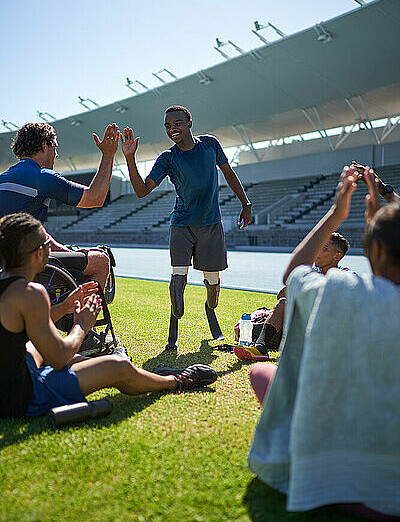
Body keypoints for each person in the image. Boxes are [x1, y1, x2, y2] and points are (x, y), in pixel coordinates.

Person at [247, 166, 400, 520]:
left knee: (262, 373)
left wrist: (337, 213)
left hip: (345, 483)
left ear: (374, 249)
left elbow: (293, 275)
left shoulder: (344, 289)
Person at [0, 212, 218, 419]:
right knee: (118, 368)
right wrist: (82, 325)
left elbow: (19, 324)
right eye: (48, 245)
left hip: (9, 378)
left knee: (46, 350)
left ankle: (113, 370)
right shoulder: (31, 293)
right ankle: (174, 380)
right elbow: (58, 359)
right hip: (20, 397)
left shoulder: (9, 286)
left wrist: (64, 307)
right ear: (39, 253)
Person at [121, 105, 252, 350]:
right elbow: (141, 191)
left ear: (190, 122)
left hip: (210, 225)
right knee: (177, 281)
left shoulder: (210, 145)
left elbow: (229, 173)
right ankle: (173, 332)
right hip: (181, 225)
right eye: (168, 126)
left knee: (212, 281)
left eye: (178, 123)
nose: (173, 129)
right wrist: (129, 157)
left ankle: (210, 310)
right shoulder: (168, 158)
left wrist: (246, 203)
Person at [0, 121, 120, 290]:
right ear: (44, 145)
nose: (56, 154)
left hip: (4, 263)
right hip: (22, 264)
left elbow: (36, 234)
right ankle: (84, 315)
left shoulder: (3, 177)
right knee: (101, 261)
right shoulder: (42, 177)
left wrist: (69, 252)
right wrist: (108, 155)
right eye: (54, 147)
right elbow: (96, 198)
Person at [234, 231, 352, 362]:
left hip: (323, 330)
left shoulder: (345, 275)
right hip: (297, 328)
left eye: (324, 249)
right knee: (281, 305)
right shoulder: (311, 273)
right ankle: (260, 347)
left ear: (336, 256)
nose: (317, 251)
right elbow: (280, 297)